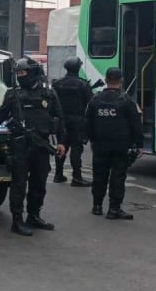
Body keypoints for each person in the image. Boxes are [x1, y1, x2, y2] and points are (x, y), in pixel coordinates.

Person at [0, 57, 66, 236]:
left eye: (24, 73)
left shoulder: (49, 94)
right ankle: (17, 220)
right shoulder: (14, 95)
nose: (21, 77)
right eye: (18, 74)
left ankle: (34, 216)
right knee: (19, 184)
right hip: (20, 145)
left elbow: (59, 119)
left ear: (34, 73)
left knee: (39, 183)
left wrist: (61, 141)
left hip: (42, 146)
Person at [85, 67, 144, 220]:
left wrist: (91, 139)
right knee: (117, 177)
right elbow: (136, 125)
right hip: (120, 146)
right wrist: (139, 144)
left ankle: (97, 206)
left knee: (99, 175)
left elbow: (88, 122)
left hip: (100, 145)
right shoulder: (127, 101)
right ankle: (114, 209)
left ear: (105, 80)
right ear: (121, 81)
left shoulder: (96, 99)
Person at [52, 56, 93, 186]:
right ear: (78, 68)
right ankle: (77, 177)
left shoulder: (57, 83)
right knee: (76, 148)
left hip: (61, 120)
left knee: (62, 146)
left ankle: (58, 174)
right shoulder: (83, 84)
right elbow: (90, 102)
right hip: (78, 120)